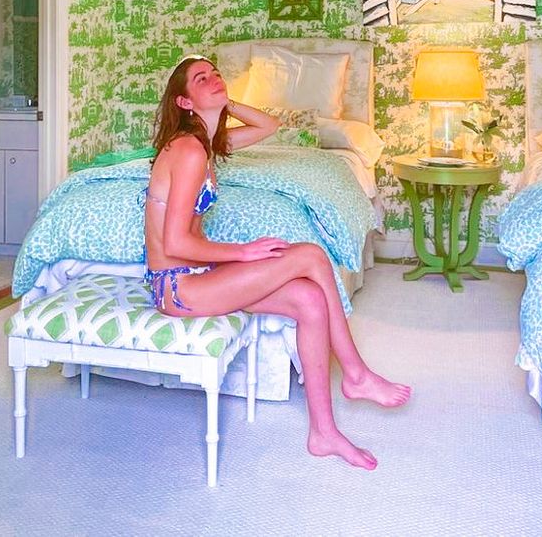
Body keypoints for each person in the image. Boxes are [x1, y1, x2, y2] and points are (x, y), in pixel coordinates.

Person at [145, 55, 411, 470]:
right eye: (202, 79)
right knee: (309, 255)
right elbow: (175, 241)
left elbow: (270, 127)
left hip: (199, 276)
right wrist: (242, 252)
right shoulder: (188, 151)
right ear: (183, 102)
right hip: (177, 286)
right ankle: (356, 374)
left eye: (217, 72)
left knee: (309, 298)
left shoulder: (209, 144)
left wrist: (224, 102)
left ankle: (323, 433)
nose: (214, 78)